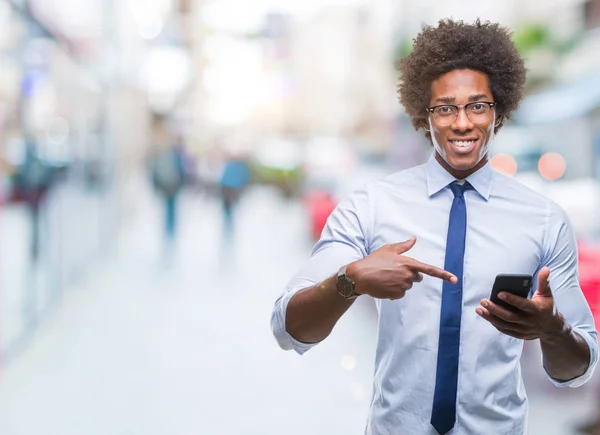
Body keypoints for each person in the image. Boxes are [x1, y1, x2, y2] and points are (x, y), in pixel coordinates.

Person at [270, 19, 598, 435]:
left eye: (478, 105)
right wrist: (348, 280)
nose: (462, 123)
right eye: (445, 108)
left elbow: (578, 370)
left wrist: (552, 329)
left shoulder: (545, 219)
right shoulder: (371, 207)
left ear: (498, 112)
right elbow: (288, 329)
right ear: (423, 116)